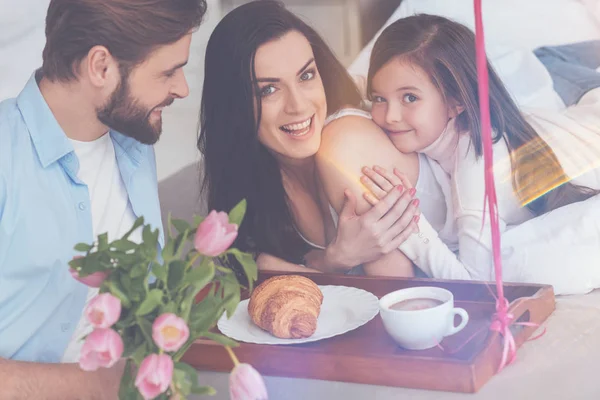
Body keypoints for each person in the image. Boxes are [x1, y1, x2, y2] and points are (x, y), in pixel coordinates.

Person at [0, 0, 207, 397]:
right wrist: (91, 387)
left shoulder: (132, 139)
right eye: (168, 71)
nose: (182, 88)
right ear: (101, 66)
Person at [358, 14, 600, 294]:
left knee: (552, 62)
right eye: (379, 98)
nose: (390, 116)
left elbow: (475, 284)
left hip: (589, 117)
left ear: (456, 101)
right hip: (566, 118)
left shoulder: (478, 166)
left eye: (409, 97)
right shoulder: (462, 127)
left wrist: (409, 227)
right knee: (551, 63)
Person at [198, 0, 442, 278]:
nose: (299, 106)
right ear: (234, 105)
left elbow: (397, 300)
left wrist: (317, 266)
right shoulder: (257, 181)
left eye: (306, 75)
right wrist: (334, 261)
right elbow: (259, 269)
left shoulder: (345, 143)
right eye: (268, 90)